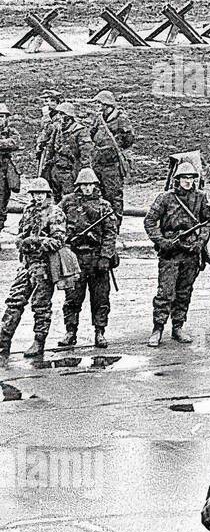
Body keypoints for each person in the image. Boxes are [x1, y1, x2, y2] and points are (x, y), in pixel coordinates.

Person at [143, 158, 210, 347]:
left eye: (191, 178)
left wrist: (201, 241)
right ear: (177, 179)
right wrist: (162, 241)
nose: (188, 181)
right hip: (171, 253)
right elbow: (149, 221)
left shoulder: (200, 198)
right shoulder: (165, 198)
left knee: (184, 292)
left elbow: (207, 222)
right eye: (184, 178)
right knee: (165, 293)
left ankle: (178, 326)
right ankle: (158, 328)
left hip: (191, 252)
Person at [0, 177, 66, 360]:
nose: (38, 197)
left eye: (41, 193)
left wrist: (37, 241)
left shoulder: (55, 213)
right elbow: (21, 234)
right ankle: (4, 340)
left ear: (47, 194)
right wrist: (22, 241)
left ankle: (39, 341)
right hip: (26, 264)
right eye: (35, 193)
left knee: (41, 306)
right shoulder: (28, 211)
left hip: (43, 266)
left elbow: (59, 241)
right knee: (14, 301)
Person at [56, 168, 118, 350]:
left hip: (96, 257)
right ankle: (70, 331)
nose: (87, 188)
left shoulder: (104, 206)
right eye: (84, 185)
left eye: (90, 184)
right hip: (74, 258)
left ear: (95, 185)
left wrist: (106, 256)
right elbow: (56, 221)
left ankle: (99, 332)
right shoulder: (67, 203)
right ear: (78, 186)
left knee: (100, 299)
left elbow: (110, 233)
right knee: (72, 298)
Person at [87, 90, 135, 221]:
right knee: (98, 195)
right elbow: (91, 134)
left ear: (106, 104)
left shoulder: (121, 119)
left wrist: (112, 148)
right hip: (99, 162)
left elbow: (128, 140)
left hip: (112, 165)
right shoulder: (99, 118)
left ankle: (115, 224)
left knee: (113, 197)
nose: (98, 106)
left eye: (100, 103)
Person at [38, 101, 91, 203]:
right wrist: (46, 165)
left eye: (62, 114)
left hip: (70, 171)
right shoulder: (58, 128)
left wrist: (84, 171)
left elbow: (85, 153)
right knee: (56, 197)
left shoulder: (80, 130)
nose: (60, 117)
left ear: (69, 116)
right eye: (59, 114)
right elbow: (50, 147)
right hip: (56, 169)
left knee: (70, 198)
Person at [0, 102, 20, 238]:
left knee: (1, 205)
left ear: (7, 118)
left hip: (3, 173)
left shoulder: (11, 131)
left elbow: (14, 143)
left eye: (2, 116)